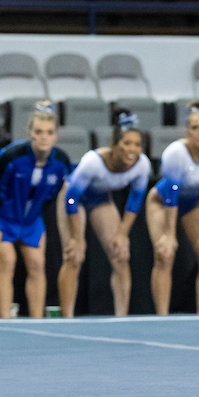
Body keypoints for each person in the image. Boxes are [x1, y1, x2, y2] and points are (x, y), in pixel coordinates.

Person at [0, 101, 71, 319]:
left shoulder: (61, 162)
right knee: (7, 260)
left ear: (56, 136)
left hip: (30, 218)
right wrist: (12, 217)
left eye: (49, 132)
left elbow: (54, 193)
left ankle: (37, 320)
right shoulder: (10, 157)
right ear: (30, 133)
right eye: (38, 132)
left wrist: (31, 215)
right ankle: (4, 319)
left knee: (37, 264)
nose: (43, 137)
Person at [57, 110, 151, 318]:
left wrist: (122, 234)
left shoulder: (142, 165)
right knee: (74, 255)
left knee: (121, 254)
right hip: (73, 200)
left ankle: (121, 318)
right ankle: (67, 317)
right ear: (114, 144)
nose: (132, 149)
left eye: (137, 144)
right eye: (127, 143)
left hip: (100, 199)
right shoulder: (93, 162)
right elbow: (71, 198)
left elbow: (135, 200)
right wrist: (78, 238)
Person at [144, 102, 199, 315]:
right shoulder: (175, 153)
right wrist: (169, 234)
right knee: (165, 253)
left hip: (195, 204)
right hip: (162, 202)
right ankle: (162, 316)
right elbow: (171, 195)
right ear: (187, 131)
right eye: (195, 128)